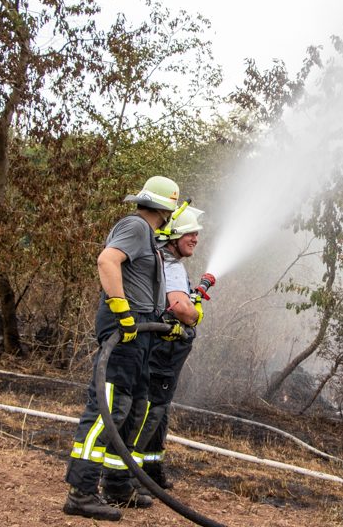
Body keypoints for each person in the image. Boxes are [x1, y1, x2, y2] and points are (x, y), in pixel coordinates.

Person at [63, 175, 181, 522]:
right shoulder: (134, 226)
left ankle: (117, 484)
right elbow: (107, 261)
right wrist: (121, 309)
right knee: (107, 411)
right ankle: (81, 492)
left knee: (132, 409)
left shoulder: (148, 236)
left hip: (140, 333)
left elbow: (141, 282)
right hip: (125, 332)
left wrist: (161, 322)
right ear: (168, 208)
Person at [133, 207, 207, 491]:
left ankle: (151, 470)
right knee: (153, 408)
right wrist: (195, 313)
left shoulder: (160, 258)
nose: (196, 238)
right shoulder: (172, 265)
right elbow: (179, 307)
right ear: (174, 235)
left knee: (159, 410)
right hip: (164, 351)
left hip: (158, 349)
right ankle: (134, 474)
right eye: (190, 233)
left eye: (197, 233)